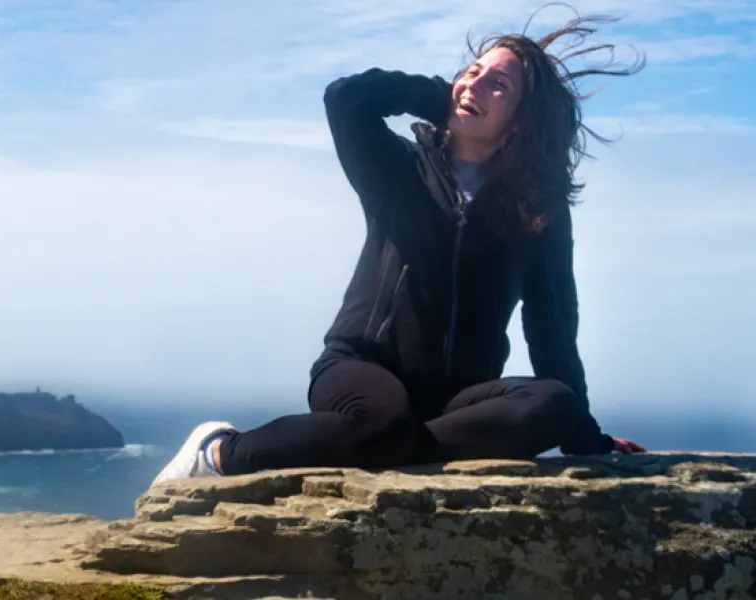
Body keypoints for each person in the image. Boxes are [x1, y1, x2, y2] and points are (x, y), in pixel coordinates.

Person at [153, 10, 648, 486]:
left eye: (498, 84)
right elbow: (346, 99)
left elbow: (553, 326)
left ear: (522, 119)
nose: (474, 83)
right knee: (378, 421)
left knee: (556, 403)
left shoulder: (538, 211)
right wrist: (445, 97)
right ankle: (218, 451)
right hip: (360, 369)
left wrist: (585, 438)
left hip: (459, 400)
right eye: (472, 71)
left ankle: (397, 447)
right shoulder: (397, 169)